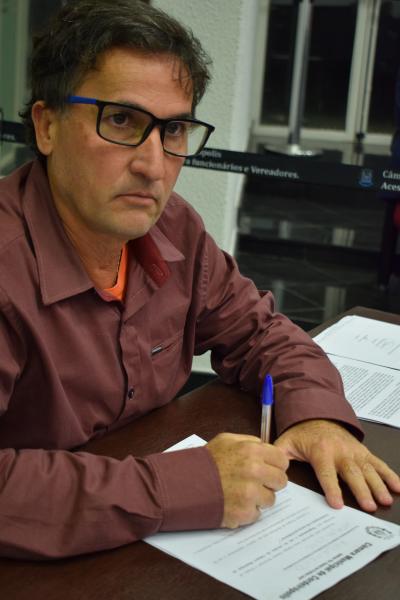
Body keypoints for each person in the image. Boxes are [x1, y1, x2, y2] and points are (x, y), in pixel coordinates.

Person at [0, 0, 399, 560]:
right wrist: (182, 488)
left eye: (174, 129)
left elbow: (261, 332)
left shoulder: (174, 227)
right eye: (121, 120)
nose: (153, 164)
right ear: (47, 126)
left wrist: (316, 414)